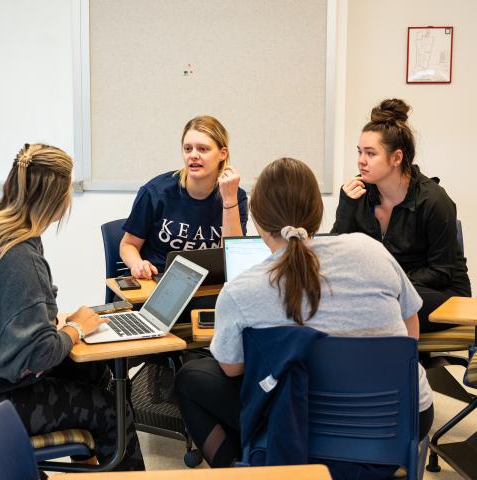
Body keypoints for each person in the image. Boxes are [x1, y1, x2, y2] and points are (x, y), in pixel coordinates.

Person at [175, 158, 433, 474]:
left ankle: (248, 470)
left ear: (255, 218)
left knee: (191, 378)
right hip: (400, 419)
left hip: (300, 428)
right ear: (317, 211)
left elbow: (231, 368)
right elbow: (411, 326)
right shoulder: (371, 250)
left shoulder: (241, 289)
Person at [0, 143, 145, 471]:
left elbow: (7, 313)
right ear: (56, 199)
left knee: (92, 371)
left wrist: (48, 318)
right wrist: (74, 329)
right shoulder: (17, 256)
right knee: (112, 410)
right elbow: (34, 358)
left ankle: (92, 470)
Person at [331, 98, 471, 333]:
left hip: (443, 294)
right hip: (385, 290)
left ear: (396, 158)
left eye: (370, 153)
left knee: (379, 306)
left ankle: (401, 367)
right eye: (359, 152)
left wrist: (388, 281)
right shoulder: (359, 193)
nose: (361, 161)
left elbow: (440, 272)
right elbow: (337, 256)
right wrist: (346, 207)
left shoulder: (434, 200)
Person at [120, 115, 248, 279]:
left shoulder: (235, 196)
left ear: (222, 154)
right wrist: (138, 264)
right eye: (188, 148)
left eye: (203, 149)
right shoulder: (155, 192)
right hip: (158, 279)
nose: (193, 155)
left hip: (209, 285)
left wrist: (229, 200)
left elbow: (233, 258)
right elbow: (128, 245)